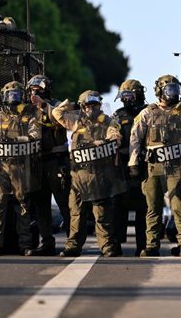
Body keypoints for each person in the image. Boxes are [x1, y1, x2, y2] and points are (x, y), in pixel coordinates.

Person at [128, 75, 181, 257]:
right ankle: (152, 245)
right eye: (169, 90)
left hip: (177, 166)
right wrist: (133, 162)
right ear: (160, 91)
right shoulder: (147, 113)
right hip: (153, 165)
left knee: (179, 207)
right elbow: (135, 139)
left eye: (175, 90)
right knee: (153, 208)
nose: (173, 94)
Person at [52, 90, 124, 257]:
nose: (90, 109)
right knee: (76, 213)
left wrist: (105, 141)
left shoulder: (107, 121)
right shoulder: (76, 121)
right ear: (82, 107)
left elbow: (116, 137)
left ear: (99, 105)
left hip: (99, 175)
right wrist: (71, 105)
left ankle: (107, 246)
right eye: (86, 106)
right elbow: (57, 113)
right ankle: (73, 246)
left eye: (94, 105)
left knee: (102, 213)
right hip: (78, 176)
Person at [0, 81, 41, 256]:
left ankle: (25, 245)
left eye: (16, 94)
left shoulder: (29, 116)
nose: (13, 98)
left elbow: (35, 136)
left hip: (22, 169)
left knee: (23, 207)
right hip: (2, 168)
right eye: (9, 95)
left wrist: (16, 142)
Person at [24, 75, 70, 257]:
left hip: (56, 161)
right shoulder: (27, 109)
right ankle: (47, 243)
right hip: (36, 162)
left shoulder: (59, 105)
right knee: (40, 205)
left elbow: (60, 121)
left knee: (65, 204)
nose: (35, 93)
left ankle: (72, 241)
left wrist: (43, 105)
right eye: (32, 90)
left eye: (38, 89)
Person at [112, 79, 148, 257]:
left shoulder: (148, 112)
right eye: (123, 95)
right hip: (122, 166)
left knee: (145, 207)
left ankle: (143, 245)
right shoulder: (117, 116)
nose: (126, 99)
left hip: (145, 164)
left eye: (130, 95)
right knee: (119, 206)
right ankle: (116, 245)